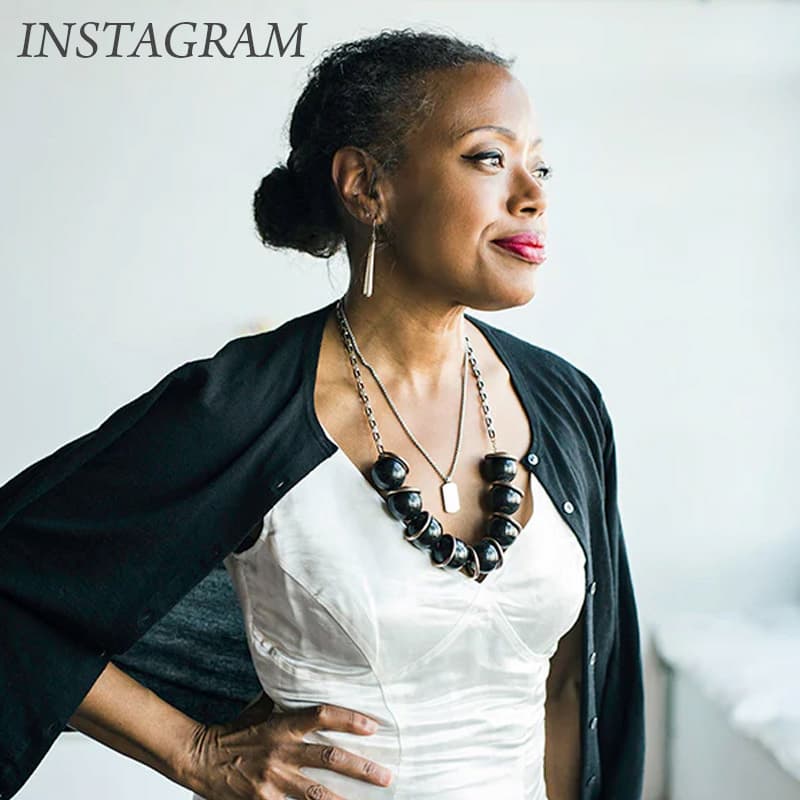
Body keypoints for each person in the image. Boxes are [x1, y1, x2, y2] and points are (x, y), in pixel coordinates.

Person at [0, 28, 644, 800]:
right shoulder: (242, 409)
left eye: (538, 165)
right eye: (488, 157)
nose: (533, 194)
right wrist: (193, 750)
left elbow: (574, 689)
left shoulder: (566, 402)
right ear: (366, 186)